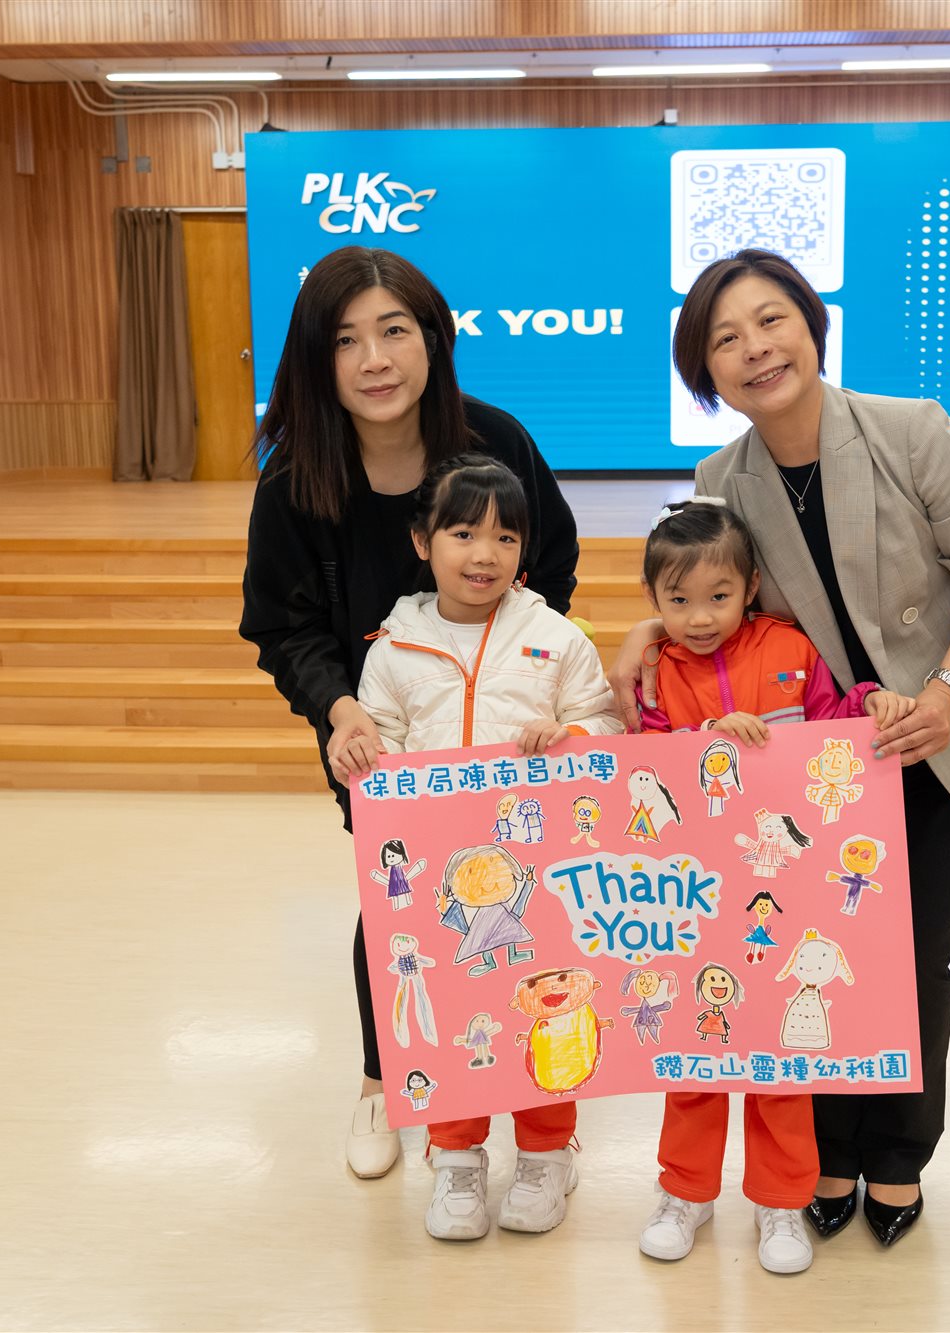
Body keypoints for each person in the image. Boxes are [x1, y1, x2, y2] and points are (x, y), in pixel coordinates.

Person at [613, 248, 950, 1249]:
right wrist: (645, 626)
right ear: (704, 370)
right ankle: (826, 1151)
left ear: (810, 325)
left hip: (941, 731)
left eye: (771, 320)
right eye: (725, 339)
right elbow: (714, 595)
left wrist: (943, 693)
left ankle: (895, 1154)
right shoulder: (721, 480)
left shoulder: (913, 431)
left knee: (914, 952)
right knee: (814, 951)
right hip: (818, 765)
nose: (754, 348)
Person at [238, 246, 579, 1182]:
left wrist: (514, 670)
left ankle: (536, 1093)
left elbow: (550, 564)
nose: (375, 359)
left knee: (520, 895)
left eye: (394, 331)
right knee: (398, 898)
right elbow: (282, 624)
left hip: (505, 732)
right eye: (346, 340)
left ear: (433, 338)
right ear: (317, 360)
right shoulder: (295, 479)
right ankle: (384, 1079)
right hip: (379, 734)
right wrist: (342, 709)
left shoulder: (496, 441)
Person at [625, 497, 914, 1275]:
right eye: (678, 599)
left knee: (781, 1061)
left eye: (719, 595)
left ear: (751, 586)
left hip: (788, 892)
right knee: (697, 1051)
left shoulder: (790, 647)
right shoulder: (654, 670)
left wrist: (868, 702)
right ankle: (683, 1192)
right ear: (652, 599)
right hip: (692, 895)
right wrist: (703, 742)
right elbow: (640, 762)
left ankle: (781, 1200)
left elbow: (831, 728)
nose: (699, 617)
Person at [355, 453, 621, 1241]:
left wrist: (570, 733)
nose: (486, 554)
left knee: (551, 1006)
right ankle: (457, 1159)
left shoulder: (554, 637)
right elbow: (380, 745)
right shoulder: (393, 648)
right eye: (464, 533)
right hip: (442, 878)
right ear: (422, 541)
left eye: (506, 537)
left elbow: (606, 725)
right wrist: (364, 753)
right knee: (452, 1015)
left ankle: (545, 1154)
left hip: (540, 871)